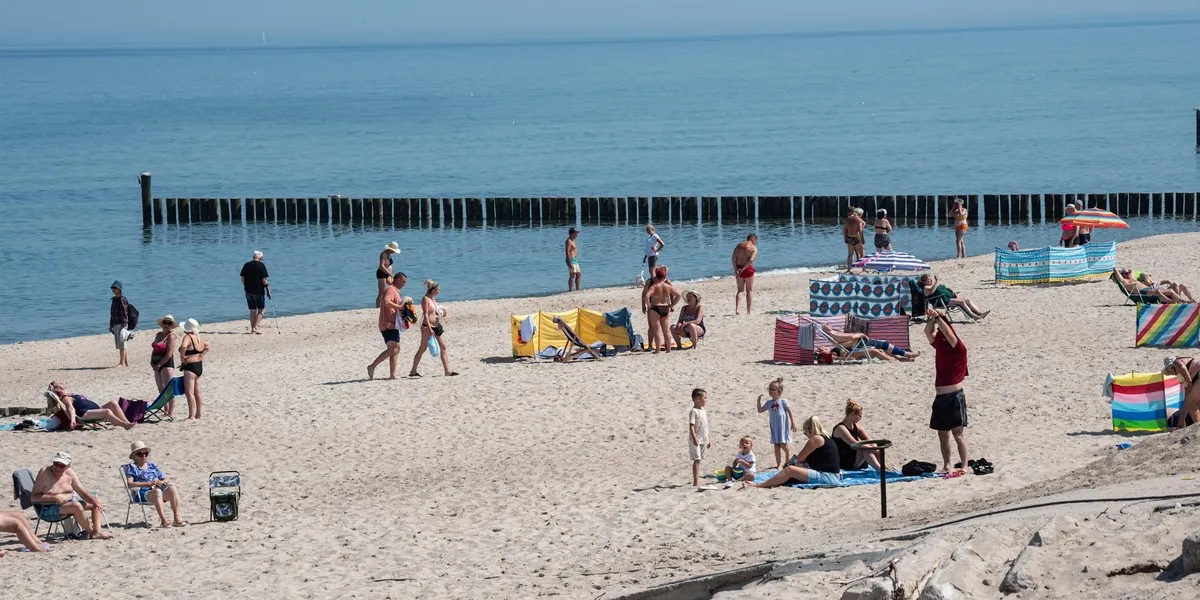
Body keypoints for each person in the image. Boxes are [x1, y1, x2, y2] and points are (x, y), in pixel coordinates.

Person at [925, 308, 969, 474]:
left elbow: (949, 334)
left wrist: (939, 317)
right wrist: (932, 318)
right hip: (940, 396)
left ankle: (964, 465)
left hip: (954, 396)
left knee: (958, 434)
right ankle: (947, 465)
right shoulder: (940, 345)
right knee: (942, 434)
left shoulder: (958, 347)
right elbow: (927, 331)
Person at [31, 452, 112, 540]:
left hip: (67, 504)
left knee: (95, 502)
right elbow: (33, 498)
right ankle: (91, 532)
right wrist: (54, 497)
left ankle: (97, 532)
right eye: (56, 464)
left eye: (62, 466)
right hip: (47, 508)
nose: (58, 468)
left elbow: (82, 493)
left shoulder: (70, 473)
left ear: (67, 466)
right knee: (76, 506)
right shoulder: (45, 472)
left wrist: (94, 501)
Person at [746, 417, 842, 488]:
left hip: (828, 477)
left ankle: (759, 485)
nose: (806, 436)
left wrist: (786, 466)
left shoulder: (815, 439)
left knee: (790, 470)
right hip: (834, 475)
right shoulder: (827, 437)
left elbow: (799, 458)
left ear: (810, 430)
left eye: (805, 433)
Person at [124, 441, 186, 528]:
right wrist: (149, 483)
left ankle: (177, 519)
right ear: (134, 456)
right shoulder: (131, 467)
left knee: (172, 488)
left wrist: (162, 482)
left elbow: (164, 478)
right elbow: (130, 484)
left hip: (157, 489)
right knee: (157, 492)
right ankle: (164, 521)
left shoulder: (152, 465)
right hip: (141, 493)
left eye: (145, 453)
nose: (144, 456)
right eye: (140, 454)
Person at [410, 279, 458, 377]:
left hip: (436, 326)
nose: (438, 291)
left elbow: (435, 312)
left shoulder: (433, 299)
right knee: (422, 349)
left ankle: (447, 371)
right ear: (432, 290)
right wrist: (429, 328)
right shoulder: (425, 299)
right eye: (437, 290)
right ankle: (413, 370)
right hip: (427, 327)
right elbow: (426, 315)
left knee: (443, 347)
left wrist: (441, 313)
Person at [45, 381, 135, 430]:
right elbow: (70, 408)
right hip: (85, 414)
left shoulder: (70, 394)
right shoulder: (65, 397)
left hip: (94, 409)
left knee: (113, 403)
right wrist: (73, 420)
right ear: (57, 389)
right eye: (58, 383)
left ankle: (127, 422)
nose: (61, 382)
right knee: (107, 411)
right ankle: (124, 425)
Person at [368, 272, 409, 380]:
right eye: (403, 282)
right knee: (393, 349)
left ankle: (392, 374)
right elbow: (386, 301)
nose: (404, 284)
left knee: (396, 349)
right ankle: (372, 366)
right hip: (387, 324)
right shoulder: (390, 289)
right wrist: (399, 307)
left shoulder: (395, 291)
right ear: (398, 280)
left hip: (394, 324)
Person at [819, 323, 920, 361]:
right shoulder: (832, 333)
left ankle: (900, 357)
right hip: (858, 344)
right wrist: (860, 334)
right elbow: (850, 336)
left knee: (883, 346)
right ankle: (907, 354)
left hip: (856, 344)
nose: (830, 324)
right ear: (825, 329)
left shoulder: (831, 335)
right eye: (827, 324)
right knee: (884, 344)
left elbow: (846, 338)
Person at [756, 378, 796, 470]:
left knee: (783, 445)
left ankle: (787, 454)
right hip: (774, 426)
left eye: (773, 389)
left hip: (782, 426)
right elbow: (760, 410)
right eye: (770, 389)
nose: (771, 391)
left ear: (779, 391)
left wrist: (793, 422)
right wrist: (758, 400)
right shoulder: (769, 403)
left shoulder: (783, 401)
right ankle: (779, 464)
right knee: (776, 446)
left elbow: (789, 411)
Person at [832, 399, 882, 470]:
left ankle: (882, 468)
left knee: (872, 446)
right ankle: (880, 470)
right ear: (852, 414)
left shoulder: (857, 426)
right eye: (859, 416)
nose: (860, 418)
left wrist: (876, 448)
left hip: (854, 457)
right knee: (865, 448)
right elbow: (855, 444)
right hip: (843, 461)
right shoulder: (841, 429)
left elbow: (870, 440)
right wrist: (874, 450)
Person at [641, 267, 680, 353]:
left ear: (657, 276)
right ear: (664, 276)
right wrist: (672, 305)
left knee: (657, 330)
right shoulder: (667, 286)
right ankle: (668, 349)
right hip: (665, 308)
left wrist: (649, 305)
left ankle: (657, 350)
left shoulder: (654, 286)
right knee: (666, 330)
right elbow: (678, 295)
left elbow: (646, 296)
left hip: (656, 308)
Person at [918, 274, 991, 319]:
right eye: (929, 279)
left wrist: (950, 290)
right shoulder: (926, 288)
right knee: (961, 302)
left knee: (967, 299)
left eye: (931, 279)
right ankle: (974, 316)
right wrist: (937, 281)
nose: (931, 280)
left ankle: (979, 313)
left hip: (948, 298)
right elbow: (931, 291)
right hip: (941, 301)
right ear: (924, 282)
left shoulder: (932, 285)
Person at [179, 318, 209, 420]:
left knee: (189, 392)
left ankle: (191, 415)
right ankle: (199, 414)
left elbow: (183, 346)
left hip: (190, 367)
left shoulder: (188, 337)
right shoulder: (199, 337)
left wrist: (182, 357)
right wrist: (202, 354)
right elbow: (208, 346)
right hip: (199, 366)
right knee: (198, 392)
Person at [1164, 356, 1200, 430]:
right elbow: (1187, 396)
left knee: (1191, 401)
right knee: (1193, 404)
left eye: (1170, 372)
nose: (1173, 374)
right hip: (1197, 376)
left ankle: (1196, 426)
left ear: (1170, 367)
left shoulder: (1176, 363)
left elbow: (1181, 367)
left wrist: (1189, 381)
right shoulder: (1184, 371)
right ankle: (1197, 426)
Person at [1113, 268, 1187, 304]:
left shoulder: (1132, 277)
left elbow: (1131, 269)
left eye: (1128, 273)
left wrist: (1125, 270)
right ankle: (1182, 301)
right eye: (1126, 273)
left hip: (1148, 289)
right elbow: (1116, 272)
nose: (1128, 273)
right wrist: (1117, 270)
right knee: (1170, 291)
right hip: (1143, 292)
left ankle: (1178, 301)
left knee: (1171, 290)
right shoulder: (1125, 281)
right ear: (1122, 275)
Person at [239, 250, 270, 334]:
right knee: (261, 309)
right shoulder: (261, 265)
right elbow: (264, 280)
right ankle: (255, 328)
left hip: (248, 290)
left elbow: (242, 277)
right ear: (261, 258)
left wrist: (245, 286)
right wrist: (268, 291)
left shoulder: (246, 265)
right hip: (258, 291)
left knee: (252, 310)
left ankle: (252, 329)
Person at [150, 315, 177, 400]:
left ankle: (170, 412)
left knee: (168, 389)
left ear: (172, 326)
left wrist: (159, 365)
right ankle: (165, 409)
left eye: (169, 323)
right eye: (165, 322)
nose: (166, 325)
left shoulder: (171, 336)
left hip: (166, 364)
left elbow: (169, 353)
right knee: (160, 389)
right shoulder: (158, 334)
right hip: (156, 363)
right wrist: (152, 362)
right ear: (162, 324)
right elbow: (154, 348)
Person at [688, 388, 711, 487]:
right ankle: (696, 481)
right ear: (698, 399)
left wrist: (708, 439)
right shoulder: (693, 411)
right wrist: (694, 438)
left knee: (700, 459)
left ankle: (697, 479)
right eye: (704, 398)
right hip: (695, 440)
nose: (706, 400)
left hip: (703, 439)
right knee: (696, 459)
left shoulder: (703, 411)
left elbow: (705, 426)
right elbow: (691, 425)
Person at [732, 233, 758, 315]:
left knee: (740, 290)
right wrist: (743, 269)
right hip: (747, 269)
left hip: (738, 268)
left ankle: (737, 309)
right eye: (756, 241)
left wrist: (736, 269)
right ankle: (748, 311)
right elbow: (750, 261)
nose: (756, 243)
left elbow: (733, 258)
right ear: (753, 240)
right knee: (749, 290)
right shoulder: (753, 248)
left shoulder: (739, 245)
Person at [109, 280, 132, 367]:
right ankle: (126, 362)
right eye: (112, 288)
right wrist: (111, 325)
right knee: (122, 343)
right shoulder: (114, 300)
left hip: (121, 324)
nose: (113, 289)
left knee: (122, 344)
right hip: (115, 323)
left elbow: (125, 313)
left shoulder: (122, 299)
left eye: (114, 288)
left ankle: (122, 362)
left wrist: (124, 326)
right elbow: (112, 314)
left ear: (119, 289)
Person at [376, 242, 401, 308]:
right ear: (390, 249)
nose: (394, 252)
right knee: (381, 292)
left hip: (387, 274)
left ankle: (392, 302)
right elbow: (381, 266)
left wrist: (390, 273)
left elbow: (388, 265)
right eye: (393, 251)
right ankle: (378, 307)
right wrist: (389, 273)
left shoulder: (389, 254)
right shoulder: (383, 254)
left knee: (394, 286)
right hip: (382, 273)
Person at [565, 227, 581, 292]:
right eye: (575, 233)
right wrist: (570, 262)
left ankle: (577, 289)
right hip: (570, 259)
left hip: (574, 259)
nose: (576, 235)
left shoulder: (573, 240)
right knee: (572, 275)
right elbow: (567, 252)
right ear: (572, 234)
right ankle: (570, 290)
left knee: (578, 274)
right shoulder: (568, 241)